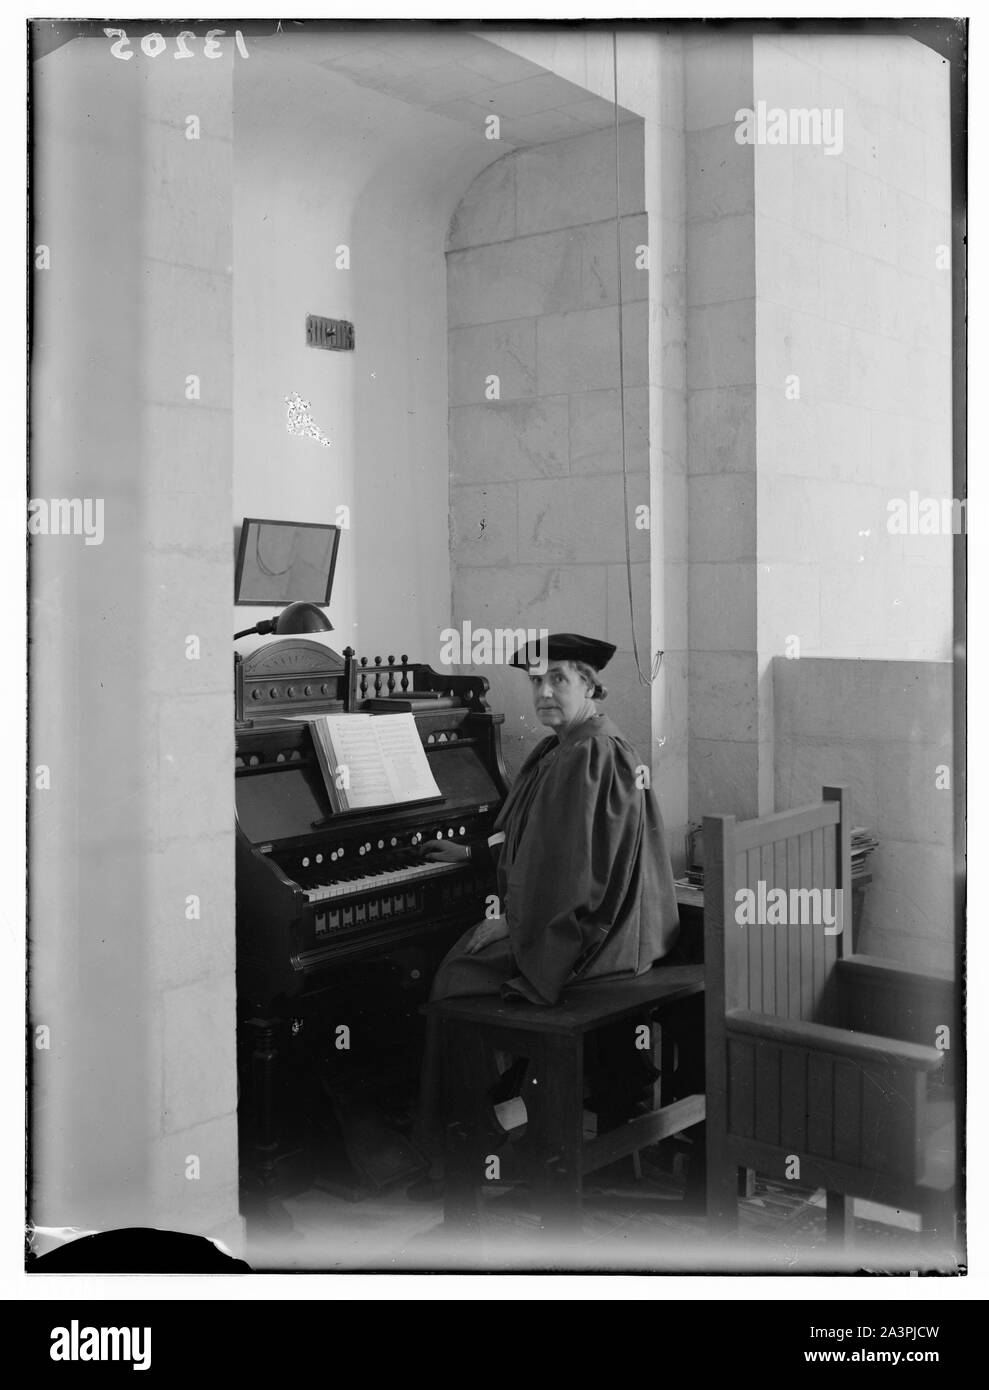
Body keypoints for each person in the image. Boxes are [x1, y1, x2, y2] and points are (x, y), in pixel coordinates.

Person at [408, 633, 682, 1197]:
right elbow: (534, 840)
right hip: (607, 920)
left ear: (590, 685)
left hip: (595, 933)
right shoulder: (566, 746)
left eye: (560, 679)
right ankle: (509, 1116)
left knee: (455, 974)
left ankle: (482, 1140)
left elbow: (573, 875)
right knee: (464, 959)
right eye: (537, 680)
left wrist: (512, 922)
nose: (545, 691)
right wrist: (473, 855)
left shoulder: (587, 754)